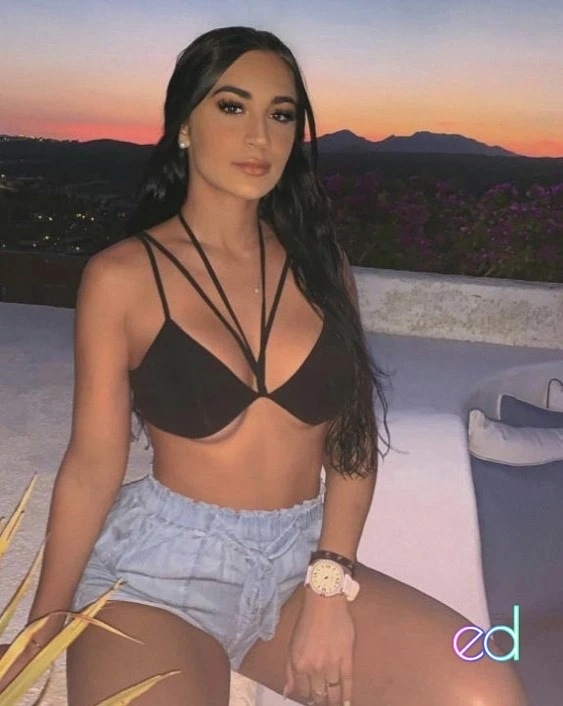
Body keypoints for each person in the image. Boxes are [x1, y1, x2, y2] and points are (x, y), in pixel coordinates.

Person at [0, 25, 528, 706]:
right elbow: (92, 465)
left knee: (484, 688)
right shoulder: (122, 277)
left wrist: (329, 586)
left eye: (280, 115)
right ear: (183, 125)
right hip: (158, 576)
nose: (260, 136)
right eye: (232, 106)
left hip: (299, 565)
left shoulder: (320, 265)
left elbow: (350, 444)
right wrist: (42, 624)